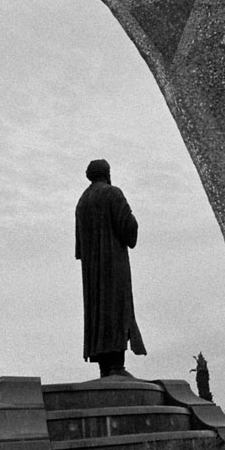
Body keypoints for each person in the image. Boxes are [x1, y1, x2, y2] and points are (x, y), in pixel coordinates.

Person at [75, 159, 146, 378]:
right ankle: (116, 365)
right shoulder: (113, 194)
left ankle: (106, 367)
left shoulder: (82, 202)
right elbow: (129, 231)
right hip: (113, 265)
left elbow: (79, 248)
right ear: (107, 174)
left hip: (91, 272)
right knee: (117, 307)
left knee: (98, 312)